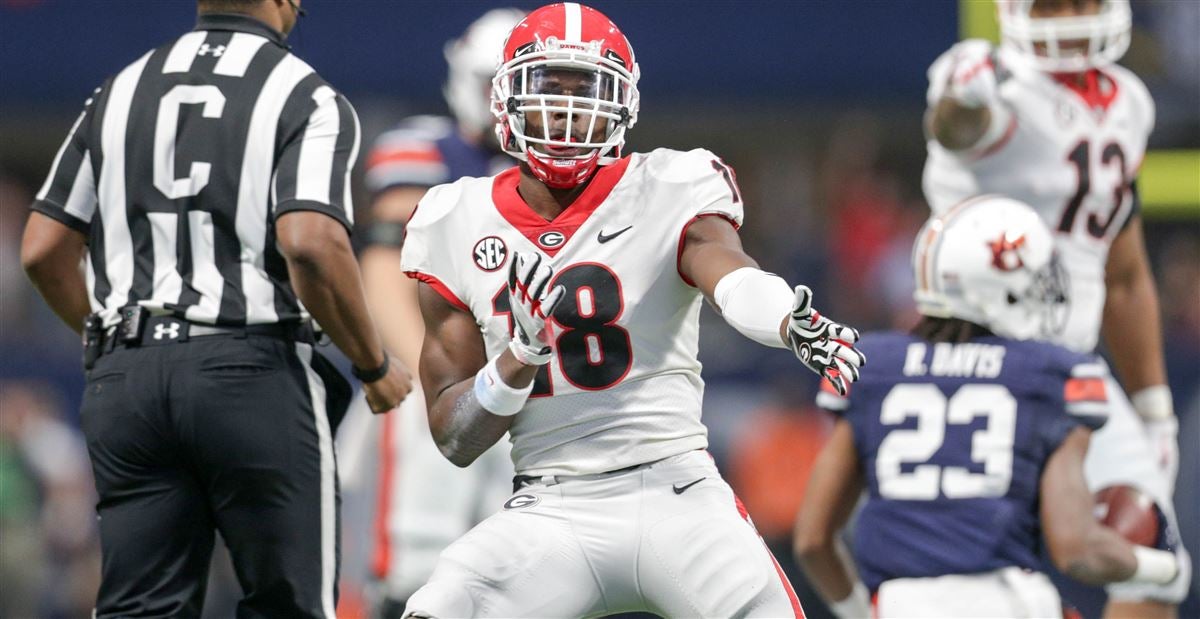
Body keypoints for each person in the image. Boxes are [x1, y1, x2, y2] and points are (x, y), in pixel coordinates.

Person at [396, 4, 865, 617]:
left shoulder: (666, 185)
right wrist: (517, 359)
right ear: (505, 98)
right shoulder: (452, 218)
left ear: (622, 104)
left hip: (677, 490)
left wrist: (786, 319)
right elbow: (455, 438)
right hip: (549, 505)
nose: (566, 112)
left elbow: (725, 267)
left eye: (584, 90)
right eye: (547, 88)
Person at [19, 0, 412, 616]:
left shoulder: (120, 88)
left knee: (137, 608)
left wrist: (110, 345)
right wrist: (372, 362)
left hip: (129, 372)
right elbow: (310, 241)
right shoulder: (304, 95)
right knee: (288, 603)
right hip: (249, 368)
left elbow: (43, 249)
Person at [793, 196, 1184, 618]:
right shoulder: (1051, 374)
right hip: (1005, 601)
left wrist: (862, 614)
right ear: (1000, 288)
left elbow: (813, 541)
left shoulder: (873, 366)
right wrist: (1160, 566)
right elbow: (1075, 549)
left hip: (900, 605)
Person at [922, 0, 1190, 614]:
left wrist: (1155, 412)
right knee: (974, 581)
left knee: (1155, 560)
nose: (1068, 16)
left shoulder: (1129, 101)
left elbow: (1123, 274)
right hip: (977, 361)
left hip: (1073, 368)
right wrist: (963, 98)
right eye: (1052, 2)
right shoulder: (994, 78)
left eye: (1080, 2)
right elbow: (958, 127)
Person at [344, 8, 524, 617]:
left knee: (519, 560)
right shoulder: (424, 149)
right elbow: (384, 270)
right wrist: (430, 376)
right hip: (441, 372)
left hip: (527, 380)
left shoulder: (558, 172)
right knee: (419, 541)